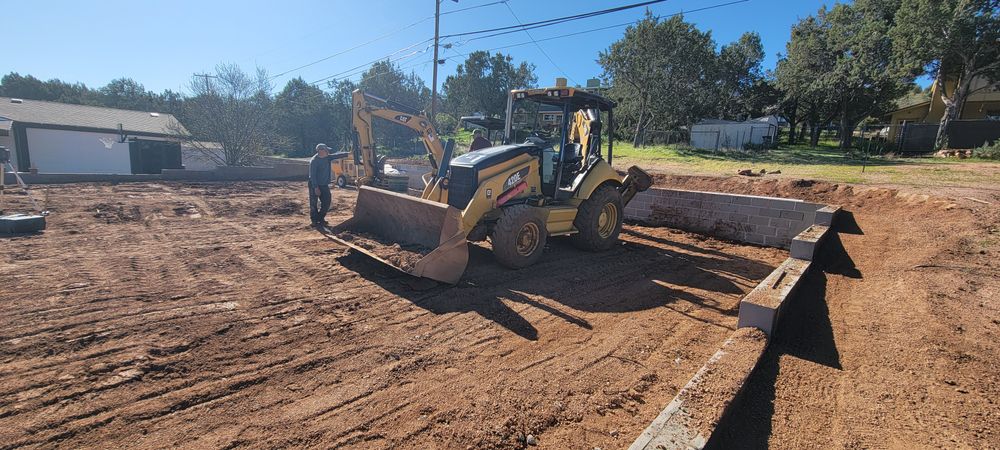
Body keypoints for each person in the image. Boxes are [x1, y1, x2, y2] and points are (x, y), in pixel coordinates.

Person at [308, 143, 347, 228]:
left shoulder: (328, 157)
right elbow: (312, 176)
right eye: (326, 150)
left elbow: (337, 155)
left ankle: (320, 218)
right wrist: (316, 187)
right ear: (320, 151)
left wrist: (349, 153)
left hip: (324, 185)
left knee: (327, 202)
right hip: (314, 184)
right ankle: (314, 221)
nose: (328, 152)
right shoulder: (314, 161)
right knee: (313, 204)